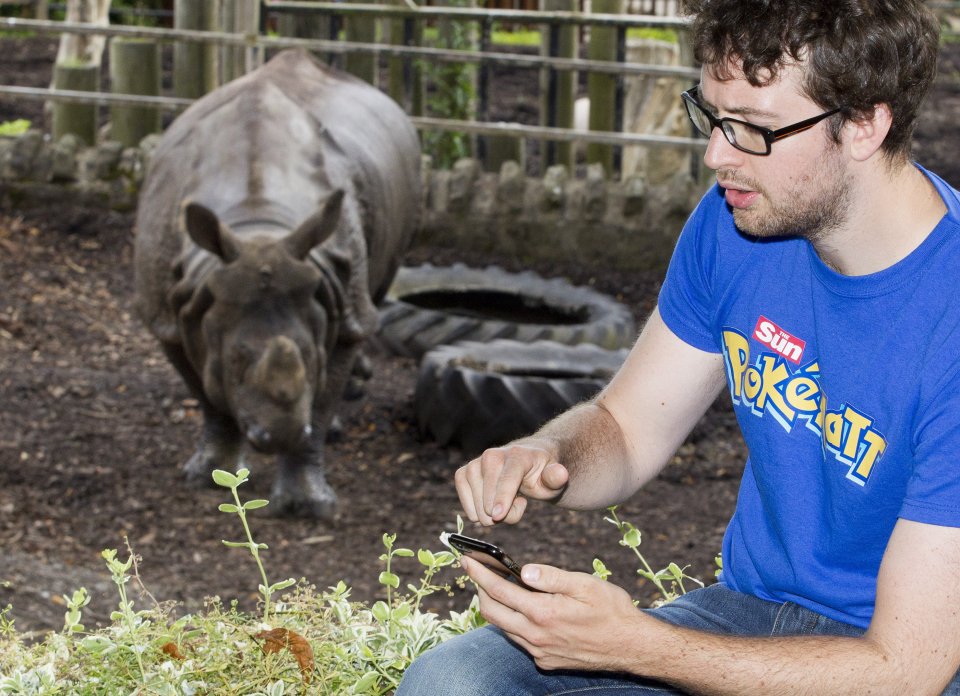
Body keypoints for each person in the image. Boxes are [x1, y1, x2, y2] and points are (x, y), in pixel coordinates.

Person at [397, 0, 960, 693]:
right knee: (456, 683)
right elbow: (626, 430)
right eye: (713, 117)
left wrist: (635, 645)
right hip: (748, 613)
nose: (716, 155)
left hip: (904, 658)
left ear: (866, 123)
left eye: (753, 129)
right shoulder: (737, 220)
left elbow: (903, 672)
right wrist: (548, 454)